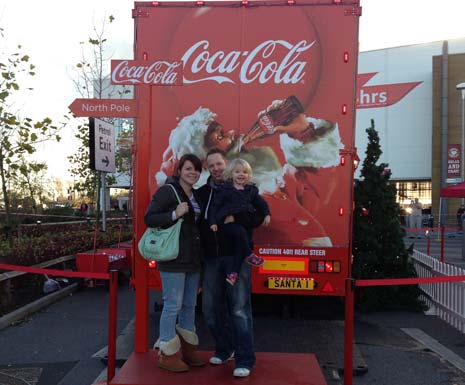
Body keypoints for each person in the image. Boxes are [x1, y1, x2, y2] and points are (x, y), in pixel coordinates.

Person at [197, 148, 257, 378]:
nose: (216, 169)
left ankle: (245, 359)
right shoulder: (202, 194)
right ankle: (225, 348)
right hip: (212, 258)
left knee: (239, 309)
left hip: (236, 258)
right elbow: (198, 224)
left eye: (219, 164)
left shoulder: (244, 190)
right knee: (210, 310)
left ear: (226, 164)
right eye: (211, 166)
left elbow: (256, 217)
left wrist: (236, 217)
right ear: (207, 169)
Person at [144, 153, 205, 372]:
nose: (193, 173)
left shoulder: (196, 195)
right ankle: (167, 354)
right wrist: (174, 214)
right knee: (172, 305)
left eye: (196, 169)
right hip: (173, 259)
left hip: (193, 260)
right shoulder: (168, 191)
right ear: (179, 170)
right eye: (188, 168)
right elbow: (149, 218)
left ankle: (188, 350)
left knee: (190, 305)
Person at [209, 158, 271, 285]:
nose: (241, 175)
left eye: (244, 172)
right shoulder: (225, 189)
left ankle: (233, 274)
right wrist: (213, 222)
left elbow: (261, 203)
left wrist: (267, 214)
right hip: (228, 225)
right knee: (240, 233)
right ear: (231, 174)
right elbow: (214, 207)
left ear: (248, 175)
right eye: (237, 172)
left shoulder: (251, 191)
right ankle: (249, 255)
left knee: (240, 248)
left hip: (244, 224)